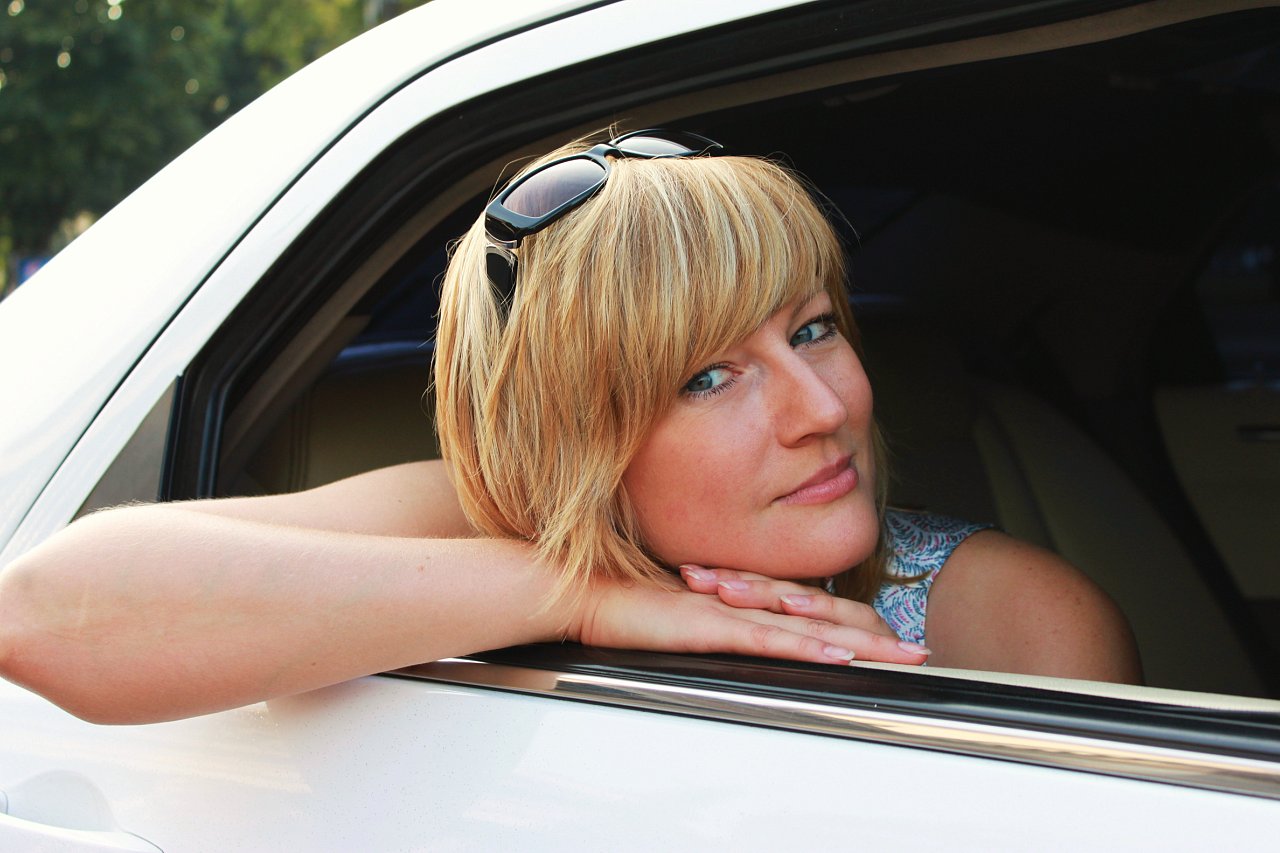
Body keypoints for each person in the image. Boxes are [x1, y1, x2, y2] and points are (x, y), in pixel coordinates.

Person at [0, 129, 1141, 725]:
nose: (826, 407)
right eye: (707, 376)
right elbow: (46, 610)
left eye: (811, 329)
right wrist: (583, 594)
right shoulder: (488, 523)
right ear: (569, 449)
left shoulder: (1015, 620)